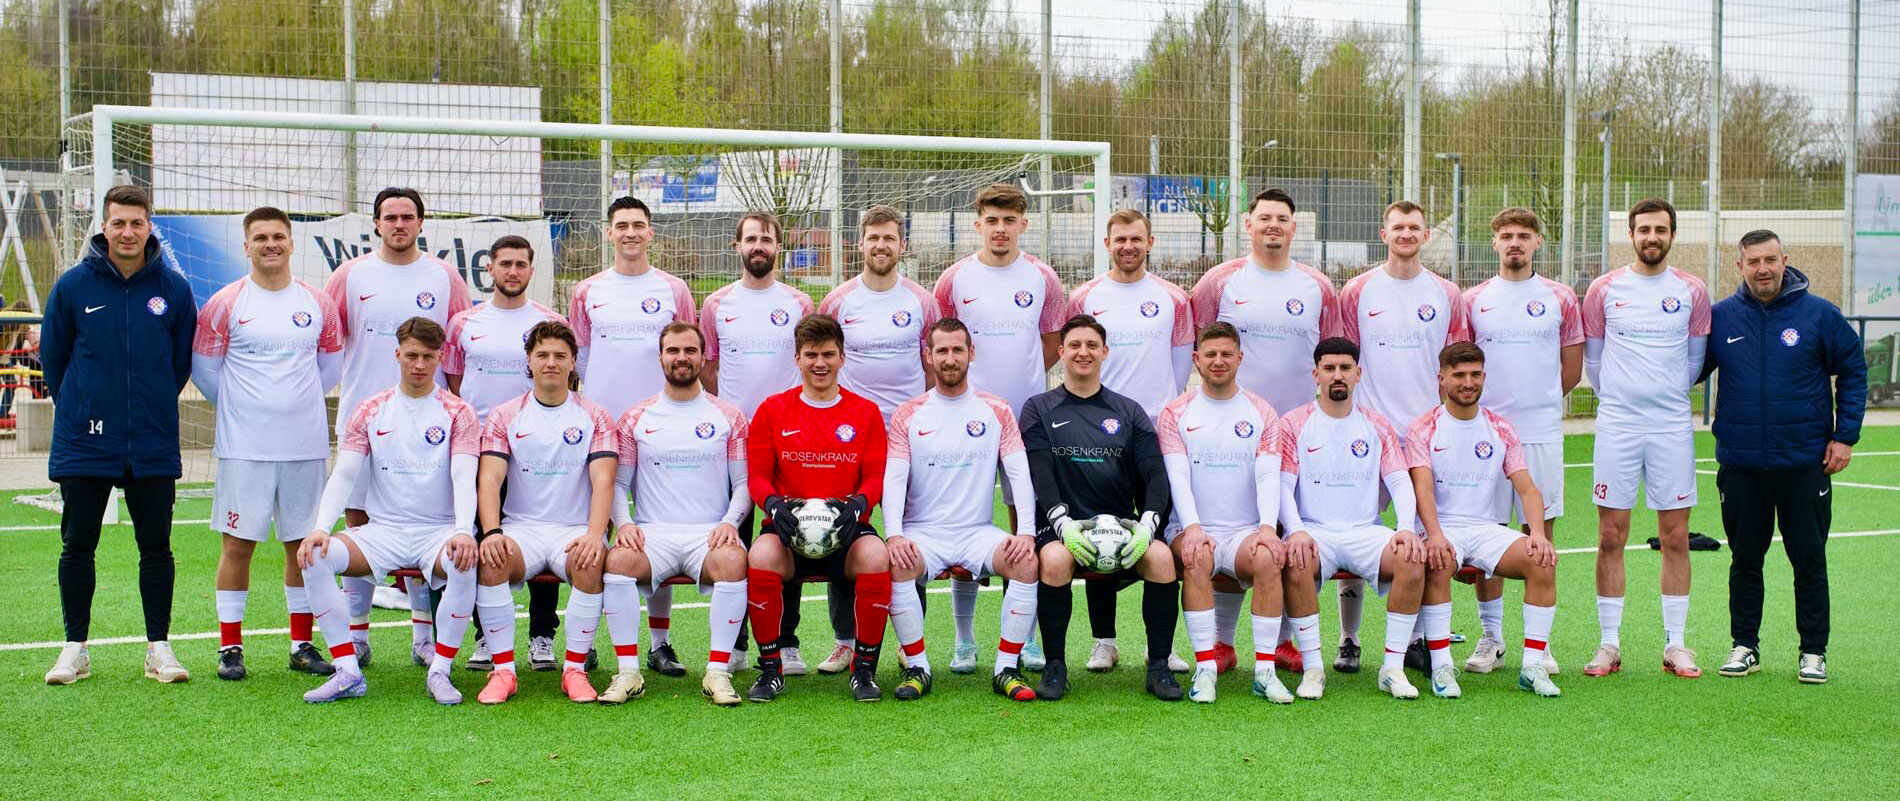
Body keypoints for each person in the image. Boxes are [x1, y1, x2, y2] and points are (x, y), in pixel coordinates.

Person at [41, 184, 198, 686]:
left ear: (149, 226)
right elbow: (54, 362)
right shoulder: (72, 287)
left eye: (136, 222)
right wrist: (87, 408)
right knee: (77, 545)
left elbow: (178, 365)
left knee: (156, 547)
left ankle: (159, 648)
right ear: (103, 228)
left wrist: (144, 406)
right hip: (86, 440)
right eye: (118, 223)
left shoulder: (173, 289)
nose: (127, 232)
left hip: (150, 439)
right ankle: (75, 649)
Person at [1703, 229, 1866, 685]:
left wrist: (1845, 435)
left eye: (1770, 259)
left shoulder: (1819, 315)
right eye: (1753, 261)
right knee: (1744, 560)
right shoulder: (1721, 318)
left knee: (1809, 558)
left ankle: (1813, 651)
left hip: (1804, 463)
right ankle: (1744, 645)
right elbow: (1686, 369)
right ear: (1740, 267)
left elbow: (1853, 370)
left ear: (1784, 260)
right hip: (1741, 464)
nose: (1763, 269)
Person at [1191, 188, 1340, 673]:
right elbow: (1203, 348)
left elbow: (1330, 353)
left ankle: (1288, 640)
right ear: (1247, 223)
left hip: (1301, 432)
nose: (1272, 225)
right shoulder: (1220, 282)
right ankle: (1221, 641)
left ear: (1294, 227)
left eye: (1282, 219)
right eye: (1264, 218)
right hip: (1236, 431)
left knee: (1295, 536)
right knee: (1237, 530)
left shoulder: (1317, 285)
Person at [295, 317, 481, 705]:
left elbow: (465, 476)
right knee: (313, 555)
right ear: (397, 354)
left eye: (428, 357)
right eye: (411, 355)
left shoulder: (458, 412)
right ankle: (347, 670)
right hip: (384, 531)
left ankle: (440, 670)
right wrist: (319, 527)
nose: (419, 364)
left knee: (466, 560)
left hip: (438, 532)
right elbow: (344, 474)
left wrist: (464, 529)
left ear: (440, 358)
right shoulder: (370, 409)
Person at [192, 206, 344, 680]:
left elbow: (330, 369)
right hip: (245, 449)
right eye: (261, 237)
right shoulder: (225, 303)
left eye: (278, 236)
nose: (270, 244)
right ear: (247, 245)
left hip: (305, 447)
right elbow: (206, 372)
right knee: (237, 547)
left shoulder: (318, 303)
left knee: (303, 547)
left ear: (291, 243)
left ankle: (301, 644)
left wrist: (291, 407)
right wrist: (248, 411)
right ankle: (230, 648)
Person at [324, 187, 472, 668]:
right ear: (376, 223)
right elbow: (329, 339)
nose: (399, 225)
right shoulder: (351, 275)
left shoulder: (444, 276)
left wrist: (456, 404)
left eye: (408, 217)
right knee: (361, 524)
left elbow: (458, 344)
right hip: (365, 421)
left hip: (430, 422)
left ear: (421, 223)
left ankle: (422, 636)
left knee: (423, 520)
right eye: (391, 217)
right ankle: (358, 634)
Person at [702, 211, 842, 678]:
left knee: (796, 531)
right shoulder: (716, 303)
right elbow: (710, 368)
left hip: (788, 435)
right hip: (733, 438)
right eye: (750, 239)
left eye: (766, 239)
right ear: (736, 246)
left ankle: (787, 642)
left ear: (778, 247)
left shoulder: (800, 301)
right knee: (735, 538)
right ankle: (738, 642)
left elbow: (811, 362)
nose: (758, 245)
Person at [932, 183, 1065, 673]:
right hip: (964, 420)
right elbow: (944, 344)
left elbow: (1051, 343)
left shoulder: (1043, 278)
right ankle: (964, 641)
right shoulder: (954, 280)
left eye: (1010, 220)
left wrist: (1021, 387)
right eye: (992, 220)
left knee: (1020, 525)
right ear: (978, 224)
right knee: (959, 522)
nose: (1001, 229)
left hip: (1025, 422)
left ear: (1024, 224)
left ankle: (1023, 636)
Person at [1334, 200, 1469, 674]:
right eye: (1398, 227)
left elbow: (1453, 362)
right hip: (1367, 435)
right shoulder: (1357, 290)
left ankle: (1415, 640)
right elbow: (1346, 357)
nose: (1406, 234)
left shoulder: (1447, 293)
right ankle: (1349, 639)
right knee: (1352, 533)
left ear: (1426, 234)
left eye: (1414, 227)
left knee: (1418, 539)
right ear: (1383, 232)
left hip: (1424, 438)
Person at [1581, 197, 1711, 679]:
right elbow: (1594, 363)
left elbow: (1694, 366)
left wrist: (1663, 398)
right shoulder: (1604, 289)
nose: (1651, 237)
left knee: (1675, 536)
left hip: (1671, 426)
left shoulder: (1692, 291)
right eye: (1643, 230)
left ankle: (1676, 644)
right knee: (1610, 535)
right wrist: (1623, 398)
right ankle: (1608, 644)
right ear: (1630, 235)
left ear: (1672, 235)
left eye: (1660, 229)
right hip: (1617, 424)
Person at [1019, 314, 1179, 702]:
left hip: (1123, 528)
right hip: (1063, 528)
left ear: (1105, 352)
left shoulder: (1128, 410)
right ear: (1061, 352)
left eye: (1092, 345)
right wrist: (1062, 524)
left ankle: (1158, 666)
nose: (1083, 352)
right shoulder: (1039, 408)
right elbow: (1040, 475)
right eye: (1074, 345)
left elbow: (1155, 475)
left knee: (1161, 559)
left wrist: (1147, 526)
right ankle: (1056, 667)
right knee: (1055, 562)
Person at [570, 196, 699, 674]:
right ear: (608, 233)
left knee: (652, 530)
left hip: (658, 428)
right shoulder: (587, 291)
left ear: (650, 233)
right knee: (593, 533)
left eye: (638, 225)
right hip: (602, 429)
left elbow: (685, 347)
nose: (629, 233)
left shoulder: (673, 288)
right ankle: (585, 642)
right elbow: (580, 356)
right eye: (620, 225)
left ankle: (660, 643)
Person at [882, 318, 1042, 702]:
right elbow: (894, 478)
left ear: (971, 354)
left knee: (1025, 563)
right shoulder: (909, 413)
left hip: (977, 531)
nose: (950, 358)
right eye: (941, 351)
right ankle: (918, 666)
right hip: (924, 532)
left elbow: (1019, 473)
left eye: (957, 350)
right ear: (929, 357)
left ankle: (1006, 668)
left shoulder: (996, 410)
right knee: (898, 563)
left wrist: (1027, 534)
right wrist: (894, 534)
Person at [471, 321, 629, 705]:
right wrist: (492, 532)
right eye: (542, 355)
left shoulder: (596, 416)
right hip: (521, 529)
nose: (551, 363)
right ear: (529, 361)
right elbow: (489, 479)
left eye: (560, 355)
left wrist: (595, 534)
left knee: (591, 563)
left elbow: (604, 480)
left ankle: (573, 669)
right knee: (490, 561)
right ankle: (503, 672)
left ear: (574, 361)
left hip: (572, 529)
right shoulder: (505, 415)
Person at [1065, 209, 1195, 674]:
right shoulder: (1085, 296)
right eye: (1120, 238)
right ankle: (1105, 641)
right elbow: (1077, 357)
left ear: (1150, 242)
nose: (1128, 246)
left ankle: (1163, 644)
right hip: (1099, 432)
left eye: (1136, 238)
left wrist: (1156, 415)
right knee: (1101, 526)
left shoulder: (1173, 299)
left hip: (1154, 434)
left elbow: (1180, 368)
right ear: (1107, 243)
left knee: (1161, 533)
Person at [742, 313, 893, 702]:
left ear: (842, 357)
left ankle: (863, 670)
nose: (820, 363)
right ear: (797, 359)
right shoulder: (772, 410)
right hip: (788, 529)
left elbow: (876, 476)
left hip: (846, 531)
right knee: (759, 555)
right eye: (811, 355)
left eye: (828, 354)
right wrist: (775, 506)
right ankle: (771, 670)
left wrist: (859, 505)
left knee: (877, 555)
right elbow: (757, 477)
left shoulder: (865, 412)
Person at [1459, 208, 1579, 676]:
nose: (1515, 243)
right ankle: (1491, 636)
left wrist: (1539, 404)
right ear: (1494, 244)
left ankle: (1539, 643)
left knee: (1540, 534)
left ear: (1538, 243)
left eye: (1523, 236)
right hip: (1483, 436)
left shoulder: (1560, 297)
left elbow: (1570, 369)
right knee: (1487, 537)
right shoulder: (1473, 299)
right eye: (1506, 236)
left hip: (1541, 433)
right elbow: (1463, 364)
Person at [1405, 342, 1562, 698]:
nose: (1467, 382)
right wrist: (1435, 535)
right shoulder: (1423, 428)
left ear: (1484, 377)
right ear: (1441, 378)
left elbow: (1528, 490)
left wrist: (1537, 533)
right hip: (1441, 528)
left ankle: (1533, 665)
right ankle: (1443, 666)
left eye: (1475, 374)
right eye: (1459, 375)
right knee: (1438, 561)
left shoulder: (1500, 428)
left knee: (1543, 561)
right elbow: (1422, 490)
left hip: (1486, 529)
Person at [440, 234, 566, 670]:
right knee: (482, 541)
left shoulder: (549, 320)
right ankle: (485, 636)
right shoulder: (464, 323)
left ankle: (542, 636)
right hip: (480, 451)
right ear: (489, 270)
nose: (513, 271)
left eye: (521, 264)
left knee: (543, 531)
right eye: (504, 264)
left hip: (539, 450)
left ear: (532, 271)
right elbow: (455, 381)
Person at [1276, 337, 1425, 701]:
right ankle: (1313, 668)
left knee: (1412, 558)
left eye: (1345, 368)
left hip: (1366, 530)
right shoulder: (1293, 424)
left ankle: (1392, 668)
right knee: (1295, 560)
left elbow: (1400, 482)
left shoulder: (1377, 425)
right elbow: (1281, 486)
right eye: (1329, 369)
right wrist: (1295, 530)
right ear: (1316, 374)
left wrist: (1405, 529)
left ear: (1359, 374)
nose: (1337, 376)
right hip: (1314, 530)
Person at [612, 322, 754, 705]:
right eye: (673, 351)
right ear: (660, 357)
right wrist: (624, 524)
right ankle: (628, 672)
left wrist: (729, 523)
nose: (681, 358)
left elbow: (744, 484)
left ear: (703, 357)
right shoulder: (635, 417)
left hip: (707, 533)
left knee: (733, 560)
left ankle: (718, 672)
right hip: (652, 532)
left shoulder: (729, 415)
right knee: (619, 560)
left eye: (690, 350)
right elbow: (617, 484)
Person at [1156, 322, 1292, 704]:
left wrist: (1267, 529)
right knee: (1196, 556)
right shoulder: (1175, 413)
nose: (1218, 361)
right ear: (1196, 359)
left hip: (1244, 530)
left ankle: (1264, 670)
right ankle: (1205, 669)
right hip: (1191, 526)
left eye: (1226, 354)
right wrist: (1194, 528)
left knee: (1267, 558)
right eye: (1210, 354)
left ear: (1240, 359)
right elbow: (1178, 476)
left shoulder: (1261, 411)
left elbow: (1268, 474)